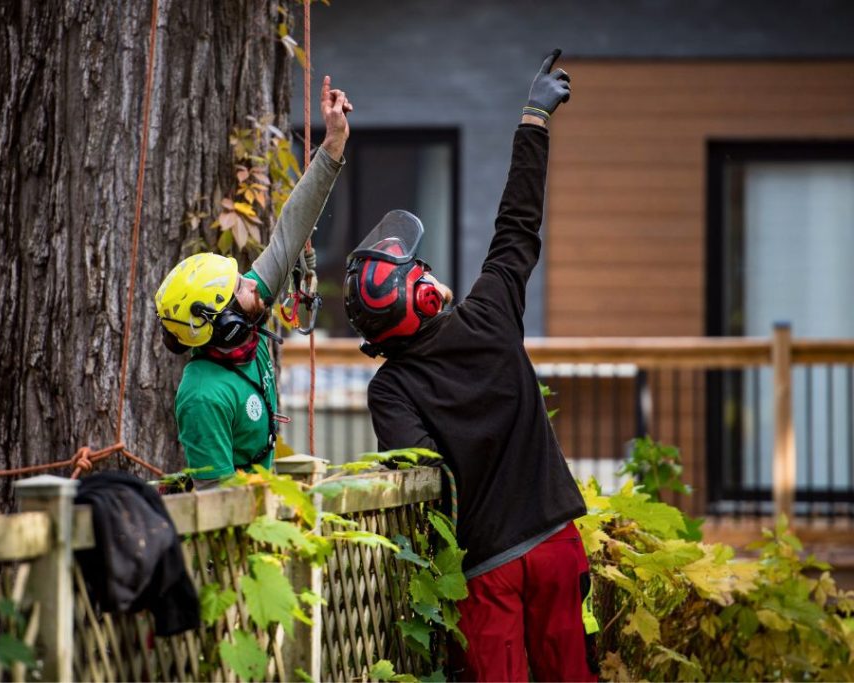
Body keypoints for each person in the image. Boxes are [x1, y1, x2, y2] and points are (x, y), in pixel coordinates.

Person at [343, 51, 597, 681]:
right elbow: (518, 226)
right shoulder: (490, 313)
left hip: (486, 571)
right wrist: (534, 118)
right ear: (422, 292)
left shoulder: (392, 388)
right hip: (556, 546)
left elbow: (422, 476)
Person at [154, 76, 351, 490]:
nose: (252, 284)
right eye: (239, 287)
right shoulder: (203, 397)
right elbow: (216, 504)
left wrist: (333, 143)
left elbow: (291, 228)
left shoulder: (244, 323)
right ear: (223, 322)